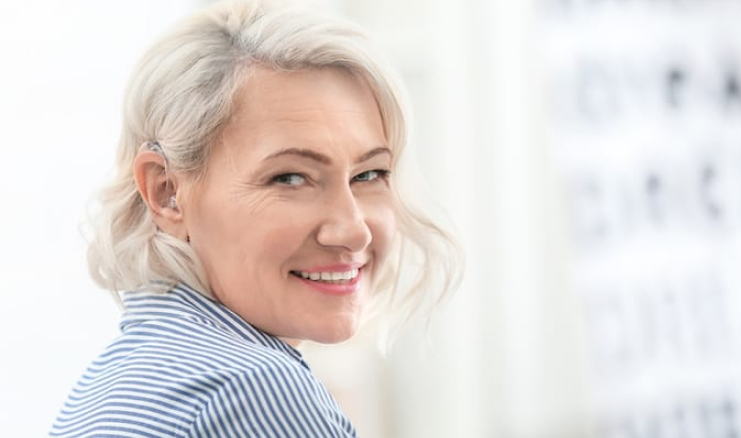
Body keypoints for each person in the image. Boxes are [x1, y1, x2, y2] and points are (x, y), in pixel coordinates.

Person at [49, 0, 461, 437]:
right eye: (290, 177)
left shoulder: (114, 383)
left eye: (370, 173)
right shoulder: (254, 390)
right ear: (166, 191)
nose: (353, 229)